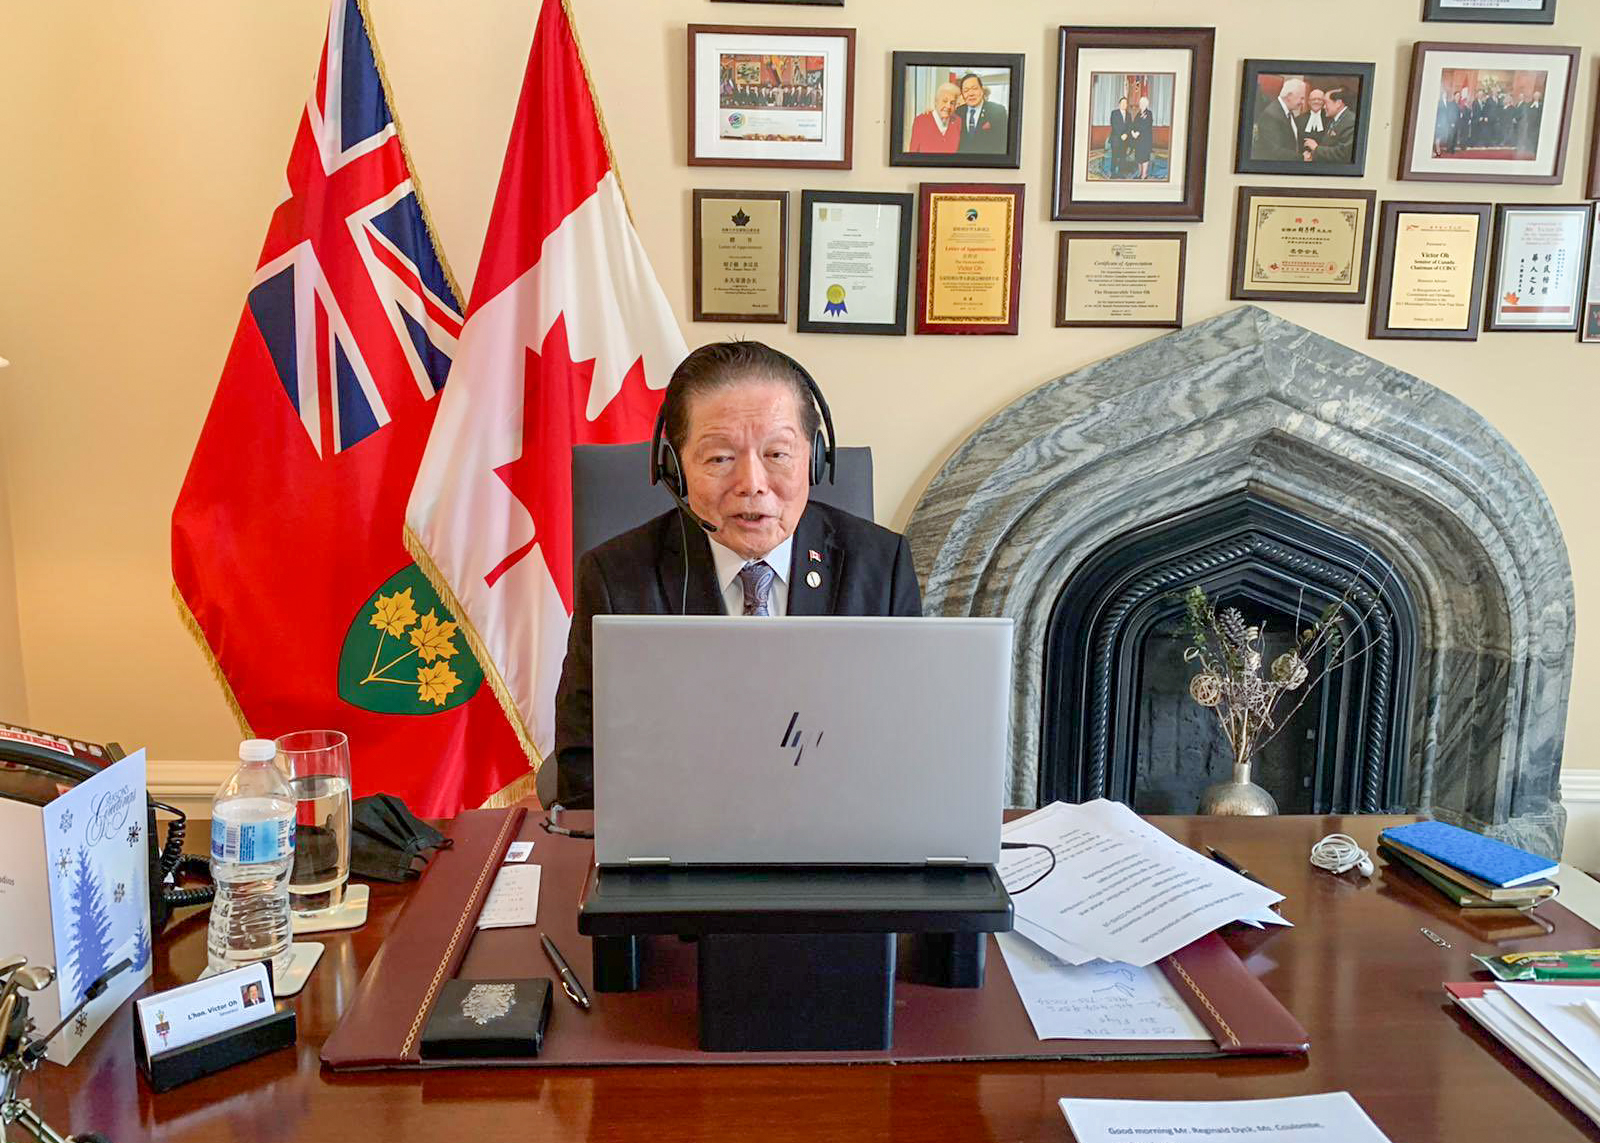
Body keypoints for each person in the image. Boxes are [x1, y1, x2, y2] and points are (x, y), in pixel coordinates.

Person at [547, 341, 923, 809]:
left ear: (815, 459)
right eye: (720, 458)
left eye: (777, 454)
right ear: (674, 469)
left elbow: (908, 745)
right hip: (678, 830)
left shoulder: (881, 566)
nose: (752, 484)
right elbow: (583, 766)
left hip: (839, 825)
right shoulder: (616, 576)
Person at [955, 72, 1008, 155]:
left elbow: (1003, 145)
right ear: (962, 94)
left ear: (982, 90)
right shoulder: (958, 111)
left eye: (974, 88)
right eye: (966, 90)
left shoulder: (998, 111)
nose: (971, 94)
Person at [1254, 76, 1304, 161]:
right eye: (1301, 98)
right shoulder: (1271, 115)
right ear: (1289, 96)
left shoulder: (1289, 112)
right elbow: (1274, 151)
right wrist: (1301, 158)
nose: (1302, 102)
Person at [1305, 87, 1357, 166]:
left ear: (1338, 103)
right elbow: (1327, 145)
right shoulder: (1333, 120)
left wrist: (1316, 148)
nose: (1324, 107)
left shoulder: (1351, 122)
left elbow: (1343, 153)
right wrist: (1312, 155)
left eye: (1326, 103)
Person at [908, 82, 963, 154]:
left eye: (952, 103)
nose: (948, 106)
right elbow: (913, 152)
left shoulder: (957, 121)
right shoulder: (921, 121)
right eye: (944, 101)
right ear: (936, 101)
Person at [1106, 95, 1133, 177]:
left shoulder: (1129, 115)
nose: (1124, 104)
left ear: (1127, 105)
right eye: (1122, 103)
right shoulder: (1114, 113)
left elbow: (1130, 126)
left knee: (1123, 156)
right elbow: (1114, 125)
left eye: (1125, 103)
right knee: (1114, 156)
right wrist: (1121, 134)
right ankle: (1113, 172)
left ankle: (1121, 171)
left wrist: (1126, 134)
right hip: (1116, 138)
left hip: (1125, 139)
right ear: (1119, 104)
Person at [1132, 94, 1155, 178]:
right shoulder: (1138, 114)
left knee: (1144, 156)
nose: (1141, 104)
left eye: (1143, 103)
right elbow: (1134, 124)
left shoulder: (1149, 113)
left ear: (1146, 104)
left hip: (1145, 139)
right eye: (1141, 103)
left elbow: (1146, 125)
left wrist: (1138, 132)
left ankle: (1144, 174)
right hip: (1138, 140)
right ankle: (1140, 172)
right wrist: (1133, 132)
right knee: (1139, 156)